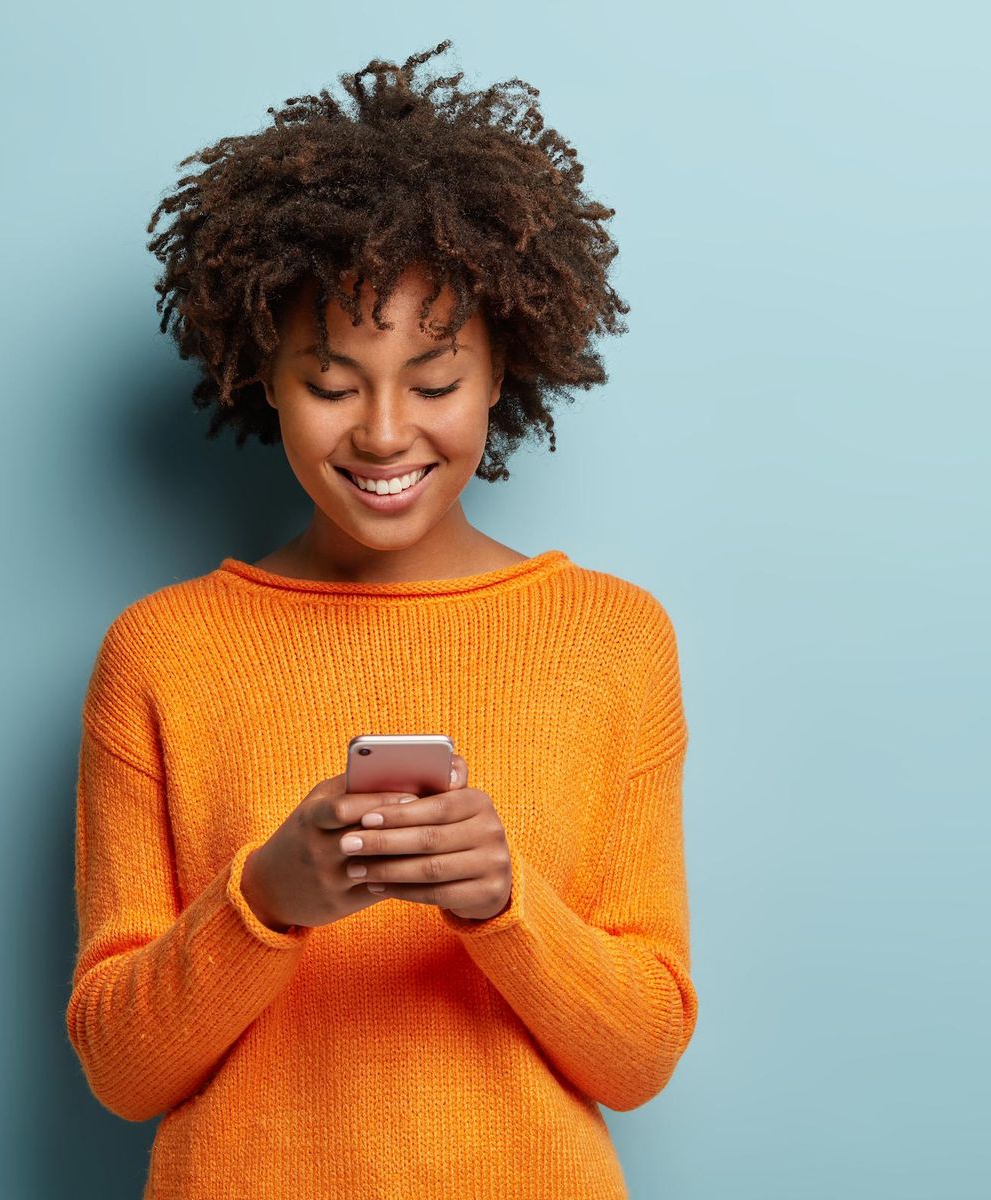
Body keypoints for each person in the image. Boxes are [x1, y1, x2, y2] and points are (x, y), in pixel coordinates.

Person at [65, 39, 697, 1199]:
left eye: (437, 380)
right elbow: (119, 1069)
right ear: (263, 375)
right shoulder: (162, 651)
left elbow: (642, 1054)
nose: (386, 433)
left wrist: (508, 907)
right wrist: (265, 903)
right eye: (333, 381)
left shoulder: (614, 639)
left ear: (507, 369)